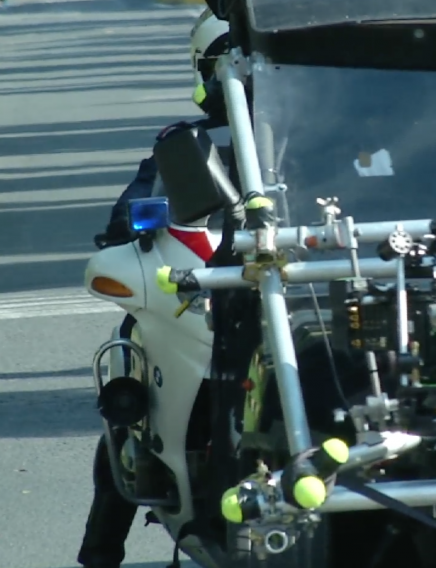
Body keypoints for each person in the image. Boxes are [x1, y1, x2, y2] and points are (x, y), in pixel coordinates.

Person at [78, 10, 231, 568]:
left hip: (301, 298)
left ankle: (99, 554)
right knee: (129, 387)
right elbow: (126, 221)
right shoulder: (186, 146)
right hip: (209, 297)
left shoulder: (321, 145)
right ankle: (100, 551)